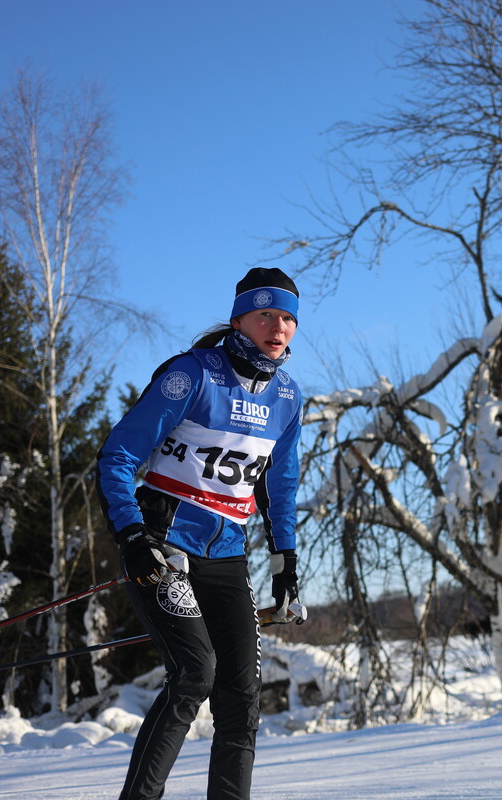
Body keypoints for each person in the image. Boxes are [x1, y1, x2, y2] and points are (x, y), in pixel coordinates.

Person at [97, 267, 304, 800]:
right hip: (163, 546)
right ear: (239, 321)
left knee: (241, 694)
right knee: (195, 673)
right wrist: (132, 536)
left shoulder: (287, 396)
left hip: (227, 554)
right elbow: (117, 456)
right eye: (265, 315)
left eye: (287, 318)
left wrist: (286, 564)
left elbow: (280, 485)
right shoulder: (192, 375)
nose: (277, 327)